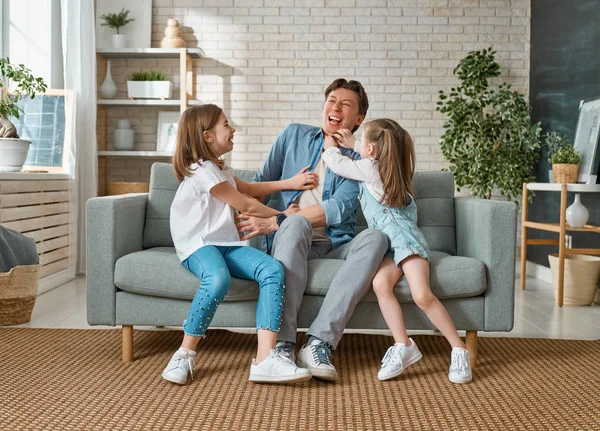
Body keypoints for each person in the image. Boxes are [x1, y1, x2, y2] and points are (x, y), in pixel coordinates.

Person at [234, 79, 389, 381]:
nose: (336, 107)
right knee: (296, 223)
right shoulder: (293, 136)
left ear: (358, 120)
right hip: (290, 238)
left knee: (376, 237)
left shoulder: (360, 161)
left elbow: (338, 209)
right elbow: (257, 186)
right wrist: (277, 216)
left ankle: (319, 342)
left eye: (346, 105)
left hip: (334, 244)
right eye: (332, 100)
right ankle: (282, 345)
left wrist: (276, 220)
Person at [162, 104, 317, 385]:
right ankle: (184, 353)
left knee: (271, 269)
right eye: (226, 125)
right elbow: (245, 203)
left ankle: (265, 359)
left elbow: (251, 189)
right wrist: (283, 216)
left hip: (225, 243)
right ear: (207, 136)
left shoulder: (220, 170)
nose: (233, 129)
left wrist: (289, 183)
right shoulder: (202, 171)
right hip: (198, 245)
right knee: (218, 278)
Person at [321, 119, 473, 384]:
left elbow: (339, 165)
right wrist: (355, 144)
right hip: (390, 249)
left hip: (406, 243)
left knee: (423, 295)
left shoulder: (371, 169)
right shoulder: (392, 169)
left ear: (371, 150)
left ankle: (459, 348)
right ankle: (404, 345)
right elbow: (369, 153)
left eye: (364, 144)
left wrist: (331, 146)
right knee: (381, 283)